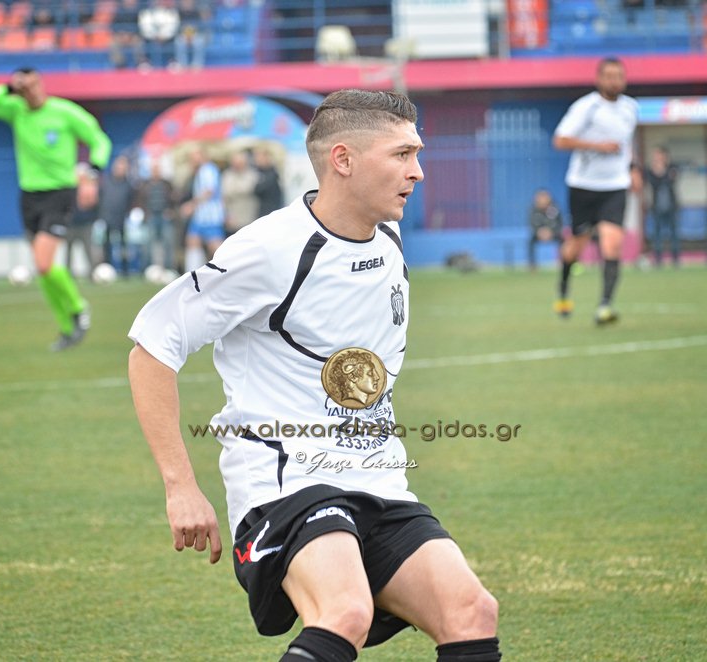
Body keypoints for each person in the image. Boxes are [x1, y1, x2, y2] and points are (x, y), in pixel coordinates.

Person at [128, 89, 501, 662]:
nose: (418, 172)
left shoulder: (388, 234)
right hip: (285, 482)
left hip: (378, 478)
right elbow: (154, 345)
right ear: (343, 160)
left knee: (472, 613)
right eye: (402, 155)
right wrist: (180, 486)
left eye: (417, 154)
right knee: (344, 613)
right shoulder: (269, 250)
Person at [0, 67, 112, 351]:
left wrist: (93, 173)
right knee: (43, 268)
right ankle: (66, 327)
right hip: (29, 195)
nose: (32, 91)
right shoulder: (16, 111)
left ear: (42, 84)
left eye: (35, 84)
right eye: (26, 87)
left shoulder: (64, 111)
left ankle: (79, 307)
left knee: (44, 263)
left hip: (59, 193)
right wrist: (8, 88)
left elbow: (99, 140)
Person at [552, 57, 638, 326]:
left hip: (615, 186)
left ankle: (605, 306)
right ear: (599, 79)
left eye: (618, 76)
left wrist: (633, 169)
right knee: (575, 247)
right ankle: (563, 291)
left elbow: (626, 144)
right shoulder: (586, 107)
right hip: (583, 186)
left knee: (612, 244)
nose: (614, 81)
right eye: (609, 76)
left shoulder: (631, 108)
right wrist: (597, 146)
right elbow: (560, 140)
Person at [180, 145, 225, 271]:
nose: (192, 159)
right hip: (200, 216)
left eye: (195, 155)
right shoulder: (200, 171)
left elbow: (209, 191)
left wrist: (192, 205)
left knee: (215, 246)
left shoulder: (208, 170)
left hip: (210, 216)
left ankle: (227, 269)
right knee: (192, 240)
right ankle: (193, 273)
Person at [99, 155, 137, 277]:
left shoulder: (128, 185)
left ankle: (125, 271)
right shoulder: (106, 182)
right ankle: (106, 269)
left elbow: (132, 201)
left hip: (122, 219)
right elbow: (101, 199)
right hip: (107, 217)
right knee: (106, 245)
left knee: (123, 246)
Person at [643, 146, 680, 267]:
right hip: (657, 206)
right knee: (657, 233)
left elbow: (671, 181)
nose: (656, 158)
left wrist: (662, 172)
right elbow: (653, 183)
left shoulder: (672, 167)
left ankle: (675, 259)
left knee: (674, 233)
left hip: (671, 206)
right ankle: (658, 259)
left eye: (659, 155)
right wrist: (657, 172)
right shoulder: (650, 170)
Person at [138, 159, 178, 270]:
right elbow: (140, 200)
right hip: (151, 216)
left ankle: (169, 268)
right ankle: (147, 269)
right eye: (153, 169)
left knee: (168, 243)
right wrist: (145, 213)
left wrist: (171, 211)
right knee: (148, 244)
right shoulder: (145, 184)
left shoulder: (166, 184)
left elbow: (174, 198)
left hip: (164, 217)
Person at [66, 163, 100, 279]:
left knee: (89, 249)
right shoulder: (70, 188)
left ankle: (93, 273)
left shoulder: (90, 188)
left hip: (86, 223)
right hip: (71, 224)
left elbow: (95, 205)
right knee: (68, 250)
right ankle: (67, 274)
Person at [221, 150, 259, 235]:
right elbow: (225, 193)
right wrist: (226, 215)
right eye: (235, 162)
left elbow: (247, 188)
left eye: (240, 162)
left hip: (249, 217)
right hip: (232, 217)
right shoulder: (227, 175)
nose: (237, 165)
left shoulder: (252, 174)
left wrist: (233, 190)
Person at [526, 188, 563, 271]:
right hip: (539, 234)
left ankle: (564, 262)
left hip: (553, 233)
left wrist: (552, 232)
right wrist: (539, 232)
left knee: (563, 240)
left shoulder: (555, 208)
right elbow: (531, 224)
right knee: (530, 241)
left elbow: (560, 224)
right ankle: (532, 265)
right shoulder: (533, 209)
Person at [253, 147, 284, 218]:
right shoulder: (259, 172)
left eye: (260, 157)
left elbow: (258, 190)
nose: (257, 160)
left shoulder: (272, 174)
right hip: (261, 212)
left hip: (270, 212)